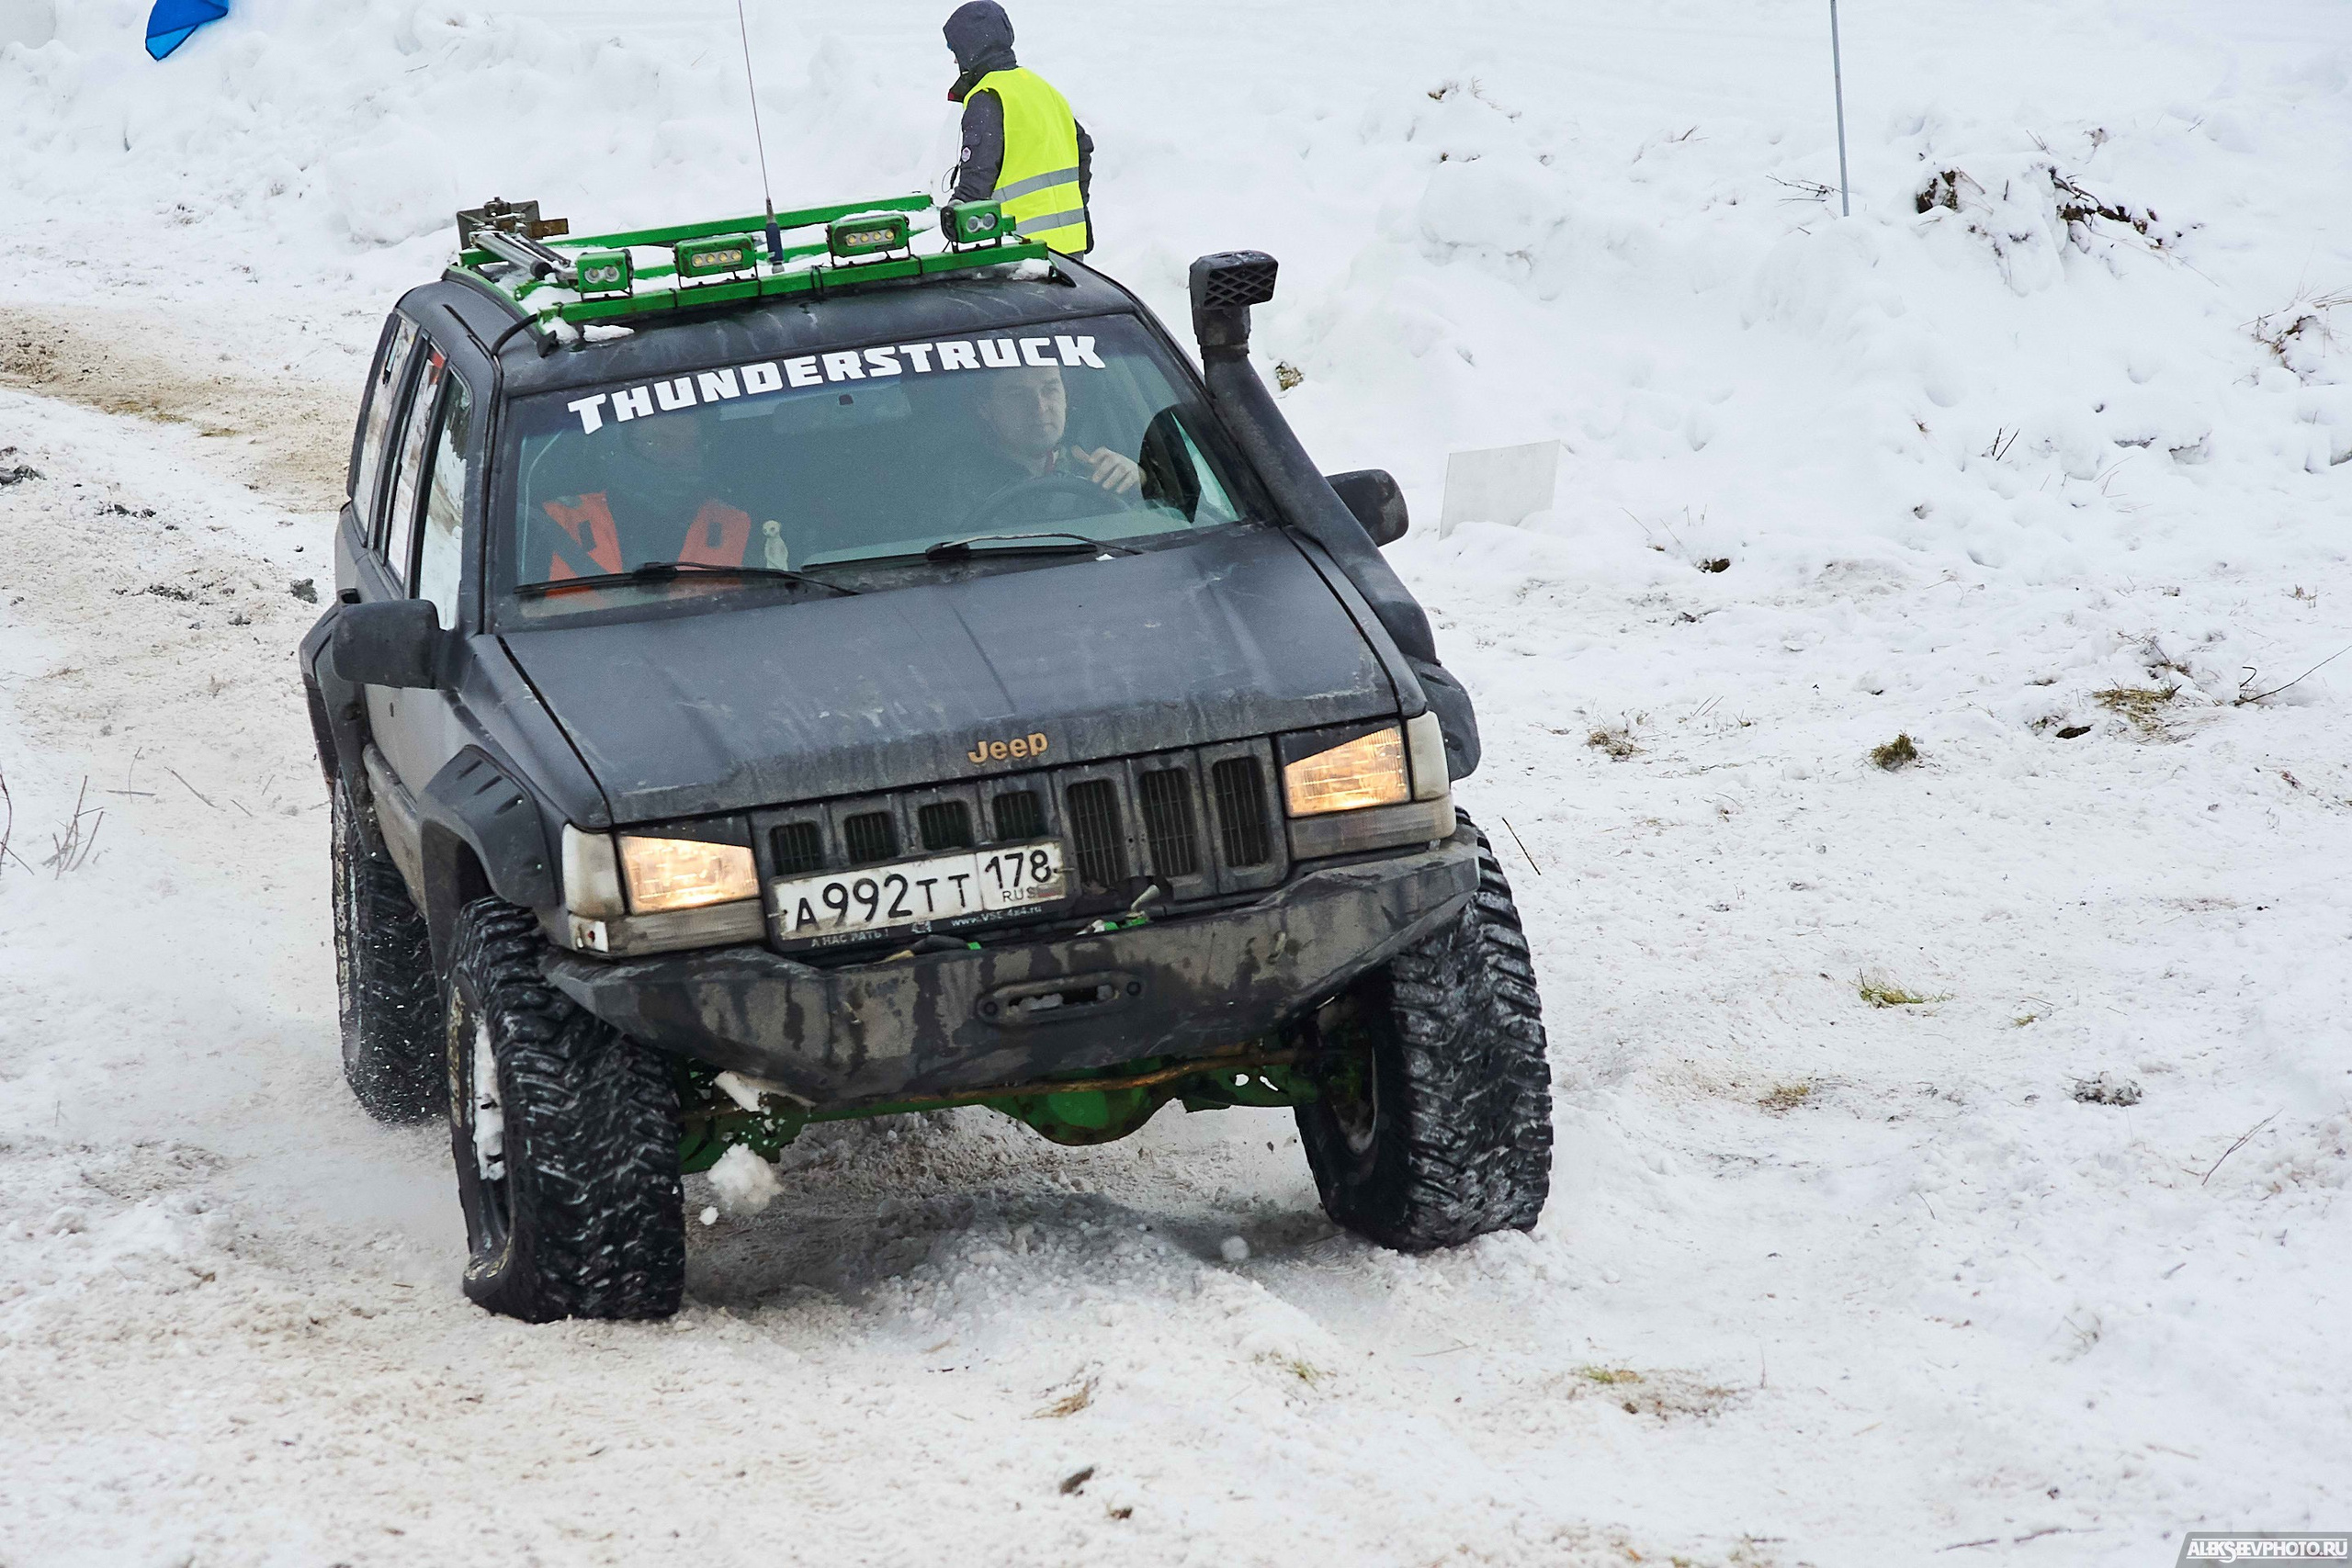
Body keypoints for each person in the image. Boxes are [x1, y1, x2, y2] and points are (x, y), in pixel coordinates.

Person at [944, 1, 1094, 255]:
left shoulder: (988, 96)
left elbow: (978, 175)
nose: (955, 58)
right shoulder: (1043, 89)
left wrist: (955, 213)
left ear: (969, 48)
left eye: (954, 50)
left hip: (1021, 250)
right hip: (1070, 246)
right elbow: (1084, 147)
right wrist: (1079, 209)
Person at [537, 414, 751, 581]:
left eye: (691, 444)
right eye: (658, 442)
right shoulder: (553, 522)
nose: (679, 457)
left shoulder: (739, 524)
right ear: (619, 447)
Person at [967, 363, 1141, 502]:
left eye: (1050, 390)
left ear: (1065, 397)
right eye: (1018, 395)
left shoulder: (1099, 469)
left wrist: (1142, 484)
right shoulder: (955, 484)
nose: (1040, 408)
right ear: (984, 408)